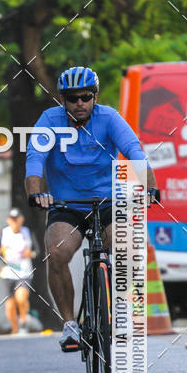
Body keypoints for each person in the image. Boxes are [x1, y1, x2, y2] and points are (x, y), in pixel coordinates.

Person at [25, 65, 158, 351]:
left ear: (95, 96)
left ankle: (122, 311)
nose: (79, 103)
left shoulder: (109, 117)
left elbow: (134, 151)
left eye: (85, 97)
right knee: (56, 251)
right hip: (67, 205)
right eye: (73, 98)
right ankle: (71, 325)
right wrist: (36, 194)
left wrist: (149, 187)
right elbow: (35, 159)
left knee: (127, 247)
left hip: (109, 202)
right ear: (63, 100)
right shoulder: (49, 120)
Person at [0, 208, 35, 334]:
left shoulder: (27, 232)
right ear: (8, 220)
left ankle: (24, 320)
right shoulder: (5, 232)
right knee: (10, 304)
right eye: (12, 219)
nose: (15, 222)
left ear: (21, 219)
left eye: (17, 219)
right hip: (8, 272)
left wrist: (31, 253)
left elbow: (36, 251)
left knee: (21, 298)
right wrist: (2, 251)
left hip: (24, 272)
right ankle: (15, 328)